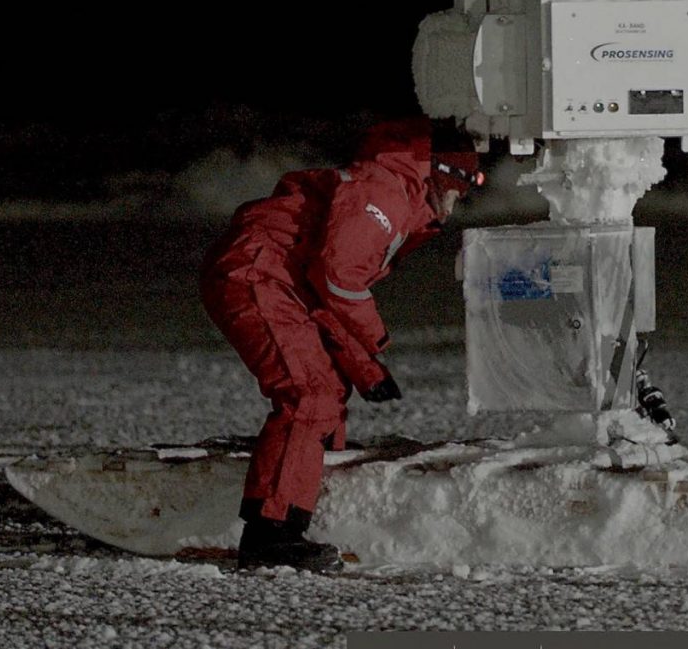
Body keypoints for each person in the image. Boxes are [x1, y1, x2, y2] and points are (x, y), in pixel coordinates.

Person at [199, 117, 484, 571]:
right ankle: (271, 534)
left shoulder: (395, 195)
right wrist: (376, 340)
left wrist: (367, 370)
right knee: (309, 393)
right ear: (439, 173)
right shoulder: (385, 192)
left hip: (279, 278)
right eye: (458, 189)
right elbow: (339, 281)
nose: (453, 207)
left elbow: (324, 294)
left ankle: (306, 492)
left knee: (328, 388)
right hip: (256, 273)